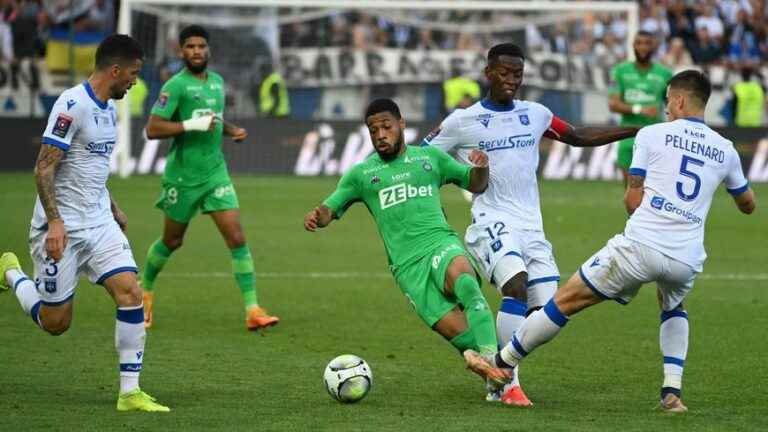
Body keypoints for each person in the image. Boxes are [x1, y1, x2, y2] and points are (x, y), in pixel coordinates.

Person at [492, 70, 756, 413]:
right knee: (673, 304)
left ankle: (502, 361)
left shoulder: (652, 134)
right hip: (686, 259)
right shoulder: (726, 149)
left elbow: (632, 200)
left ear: (678, 100)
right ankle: (672, 393)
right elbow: (748, 204)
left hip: (640, 246)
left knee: (565, 301)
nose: (666, 109)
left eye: (667, 103)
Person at [423, 42, 640, 406]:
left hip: (532, 228)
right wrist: (453, 183)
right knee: (516, 287)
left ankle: (494, 368)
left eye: (517, 74)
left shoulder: (535, 114)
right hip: (491, 222)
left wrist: (634, 130)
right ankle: (506, 384)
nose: (511, 80)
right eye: (504, 73)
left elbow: (576, 135)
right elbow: (425, 160)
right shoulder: (463, 120)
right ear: (488, 73)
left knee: (546, 313)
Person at [0, 34, 169, 412]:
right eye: (133, 74)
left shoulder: (109, 108)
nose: (135, 82)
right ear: (115, 70)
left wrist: (113, 206)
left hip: (99, 221)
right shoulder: (71, 105)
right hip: (62, 228)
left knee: (131, 292)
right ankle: (11, 272)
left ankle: (130, 392)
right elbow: (44, 167)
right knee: (56, 321)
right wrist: (56, 223)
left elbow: (89, 169)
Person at [304, 98, 511, 391]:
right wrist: (317, 216)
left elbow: (475, 183)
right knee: (465, 339)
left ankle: (490, 357)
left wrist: (481, 167)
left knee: (465, 282)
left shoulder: (429, 160)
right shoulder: (361, 175)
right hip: (408, 270)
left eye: (386, 127)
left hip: (439, 243)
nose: (380, 135)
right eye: (373, 130)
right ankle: (494, 373)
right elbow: (330, 208)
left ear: (401, 125)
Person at [141, 25, 278, 330]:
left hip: (215, 173)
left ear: (208, 49)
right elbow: (153, 128)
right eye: (190, 46)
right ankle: (144, 291)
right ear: (181, 51)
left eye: (201, 46)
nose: (197, 51)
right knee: (172, 240)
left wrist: (231, 130)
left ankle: (253, 309)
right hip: (183, 177)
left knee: (237, 238)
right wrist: (190, 125)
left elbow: (212, 120)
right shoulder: (174, 86)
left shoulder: (217, 82)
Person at [609, 31, 673, 186]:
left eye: (647, 43)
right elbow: (613, 104)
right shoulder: (620, 71)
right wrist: (640, 109)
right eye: (639, 43)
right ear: (633, 46)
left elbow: (672, 106)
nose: (643, 47)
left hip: (655, 137)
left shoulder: (665, 73)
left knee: (653, 189)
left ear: (654, 46)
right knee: (631, 190)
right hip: (627, 136)